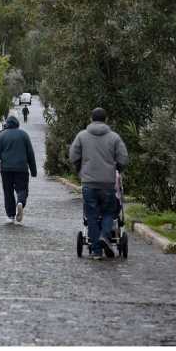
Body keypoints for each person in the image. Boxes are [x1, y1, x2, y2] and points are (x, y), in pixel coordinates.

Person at [69, 107, 129, 260]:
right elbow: (123, 158)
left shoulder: (82, 136)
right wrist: (117, 169)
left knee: (92, 215)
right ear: (105, 119)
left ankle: (96, 251)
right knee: (110, 212)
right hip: (107, 183)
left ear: (91, 119)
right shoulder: (114, 138)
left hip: (88, 182)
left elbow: (73, 155)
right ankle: (105, 236)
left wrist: (80, 169)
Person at [0, 115, 37, 225]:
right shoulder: (24, 135)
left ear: (7, 124)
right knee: (22, 189)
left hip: (6, 169)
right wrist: (33, 170)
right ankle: (20, 202)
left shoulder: (2, 135)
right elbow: (30, 153)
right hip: (22, 168)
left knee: (8, 192)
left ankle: (10, 215)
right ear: (17, 124)